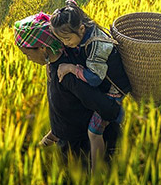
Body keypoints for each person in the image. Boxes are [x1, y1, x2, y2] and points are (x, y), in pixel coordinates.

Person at [14, 13, 123, 162]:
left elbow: (107, 108)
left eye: (27, 54)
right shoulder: (53, 66)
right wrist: (52, 135)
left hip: (79, 152)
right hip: (64, 141)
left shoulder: (67, 75)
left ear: (43, 49)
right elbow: (66, 108)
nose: (28, 58)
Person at [50, 0, 131, 171]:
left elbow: (94, 78)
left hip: (114, 90)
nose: (65, 43)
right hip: (103, 81)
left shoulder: (97, 45)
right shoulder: (82, 28)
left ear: (81, 29)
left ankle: (96, 173)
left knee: (94, 132)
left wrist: (71, 68)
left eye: (67, 38)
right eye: (61, 39)